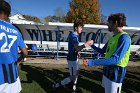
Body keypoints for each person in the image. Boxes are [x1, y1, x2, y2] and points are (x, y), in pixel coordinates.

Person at [83, 13, 131, 93]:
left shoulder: (124, 38)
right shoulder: (113, 37)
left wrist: (92, 62)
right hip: (107, 69)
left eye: (109, 22)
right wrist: (92, 45)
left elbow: (116, 59)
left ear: (115, 23)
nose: (107, 24)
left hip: (116, 71)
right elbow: (102, 51)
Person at [53, 19, 93, 91]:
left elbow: (73, 47)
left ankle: (74, 86)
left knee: (77, 72)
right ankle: (58, 84)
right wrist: (87, 43)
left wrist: (77, 52)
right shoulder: (74, 36)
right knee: (72, 77)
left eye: (82, 27)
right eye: (80, 27)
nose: (81, 29)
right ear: (76, 28)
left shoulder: (74, 35)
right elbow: (77, 47)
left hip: (74, 58)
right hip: (72, 59)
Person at [0, 1, 28, 93]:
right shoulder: (15, 30)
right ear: (9, 14)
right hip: (13, 78)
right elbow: (25, 52)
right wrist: (18, 62)